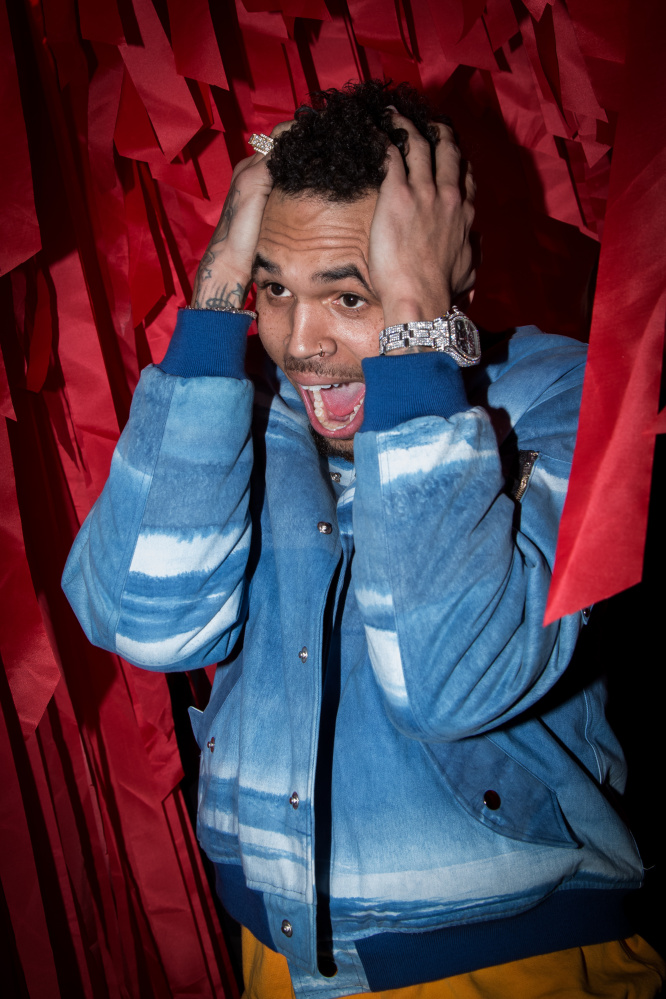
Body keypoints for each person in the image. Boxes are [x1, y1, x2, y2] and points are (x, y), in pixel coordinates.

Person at [62, 81, 664, 998]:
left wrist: (418, 329)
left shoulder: (563, 393)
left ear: (445, 265)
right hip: (273, 957)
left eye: (350, 296)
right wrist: (222, 285)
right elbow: (150, 625)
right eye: (275, 288)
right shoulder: (245, 413)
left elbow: (451, 676)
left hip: (518, 958)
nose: (302, 342)